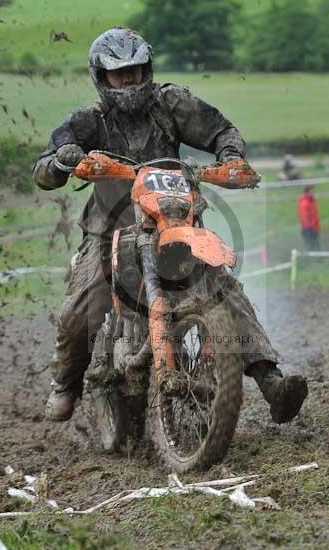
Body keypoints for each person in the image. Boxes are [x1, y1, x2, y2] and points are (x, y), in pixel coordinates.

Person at [33, 27, 308, 425]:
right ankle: (66, 385)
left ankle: (271, 380)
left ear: (148, 69)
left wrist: (230, 157)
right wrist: (62, 161)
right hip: (109, 231)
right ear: (101, 77)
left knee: (221, 286)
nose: (129, 80)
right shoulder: (89, 121)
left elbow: (222, 130)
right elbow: (44, 169)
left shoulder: (171, 103)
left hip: (173, 223)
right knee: (82, 305)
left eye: (136, 70)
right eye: (119, 73)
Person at [298, 185, 320, 251]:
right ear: (307, 193)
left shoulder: (311, 201)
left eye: (313, 191)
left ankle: (316, 258)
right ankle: (316, 259)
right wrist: (310, 229)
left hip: (314, 227)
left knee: (314, 245)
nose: (313, 193)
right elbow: (304, 218)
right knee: (313, 246)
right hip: (309, 229)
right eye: (311, 192)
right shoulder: (304, 203)